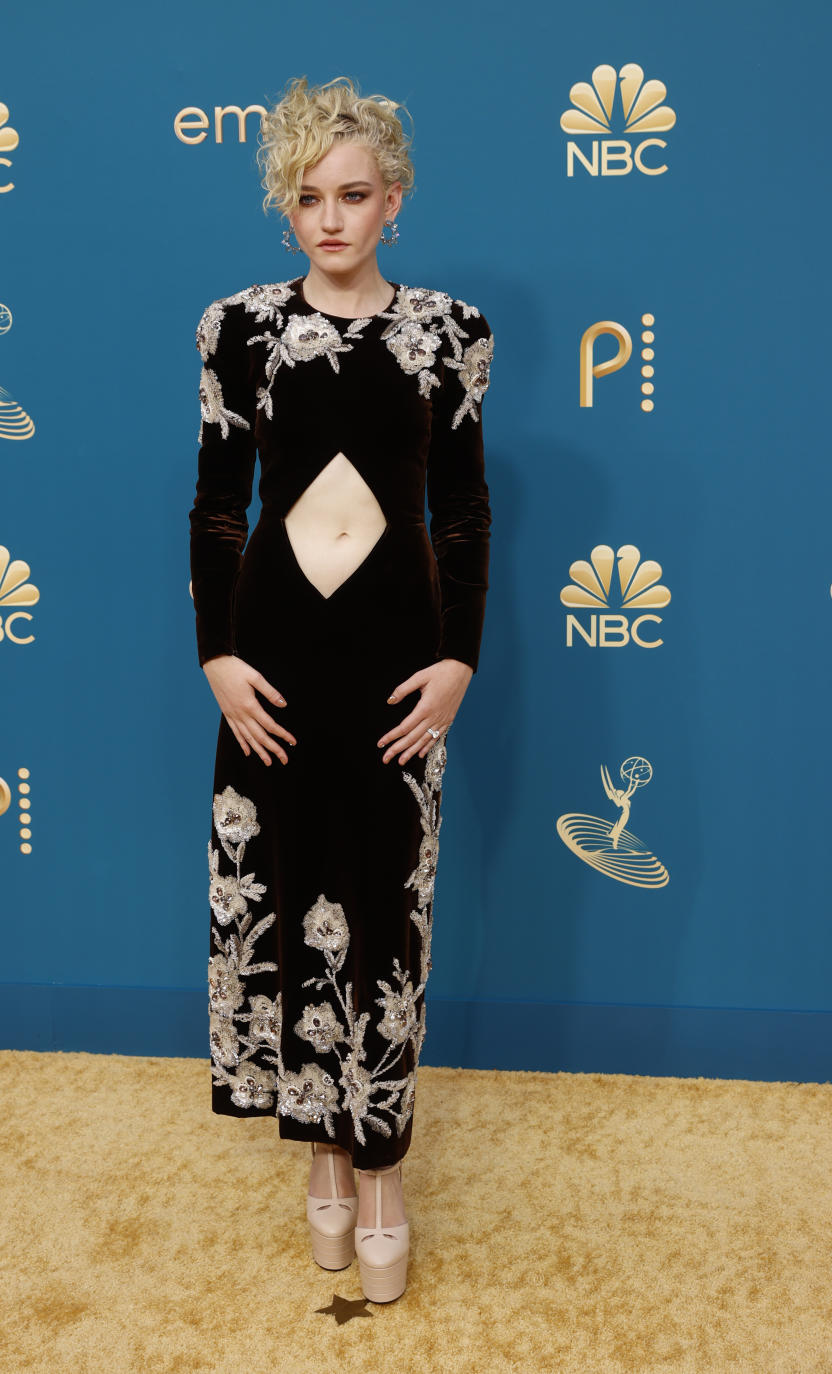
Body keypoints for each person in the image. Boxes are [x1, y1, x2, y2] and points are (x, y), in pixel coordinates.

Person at [190, 74, 494, 1303]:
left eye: (354, 196)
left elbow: (463, 510)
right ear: (285, 208)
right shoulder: (238, 330)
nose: (331, 219)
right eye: (308, 198)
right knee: (286, 899)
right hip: (269, 675)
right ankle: (321, 1161)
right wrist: (216, 655)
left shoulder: (450, 333)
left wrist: (460, 657)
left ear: (395, 201)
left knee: (386, 917)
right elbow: (218, 509)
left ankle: (384, 1173)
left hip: (396, 672)